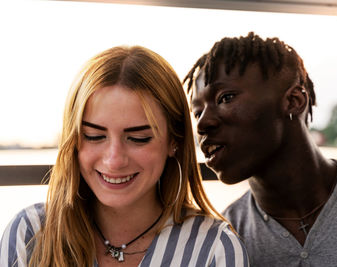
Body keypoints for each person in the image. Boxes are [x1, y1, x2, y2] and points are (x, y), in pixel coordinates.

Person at [0, 45, 249, 267]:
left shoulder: (215, 250)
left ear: (174, 141)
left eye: (138, 138)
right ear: (74, 139)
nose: (114, 160)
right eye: (94, 136)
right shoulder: (30, 233)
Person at [184, 32, 337, 266]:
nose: (202, 124)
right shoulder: (225, 239)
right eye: (197, 113)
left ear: (294, 101)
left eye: (225, 98)